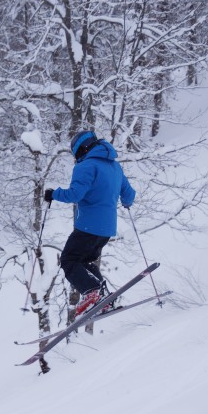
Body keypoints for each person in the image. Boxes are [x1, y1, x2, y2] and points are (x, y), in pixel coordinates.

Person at [44, 130, 136, 315]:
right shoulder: (114, 167)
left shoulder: (85, 166)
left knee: (68, 260)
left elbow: (75, 194)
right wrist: (125, 202)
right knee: (85, 261)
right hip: (107, 229)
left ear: (81, 149)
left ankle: (93, 291)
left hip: (88, 226)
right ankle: (105, 299)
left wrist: (53, 194)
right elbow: (129, 195)